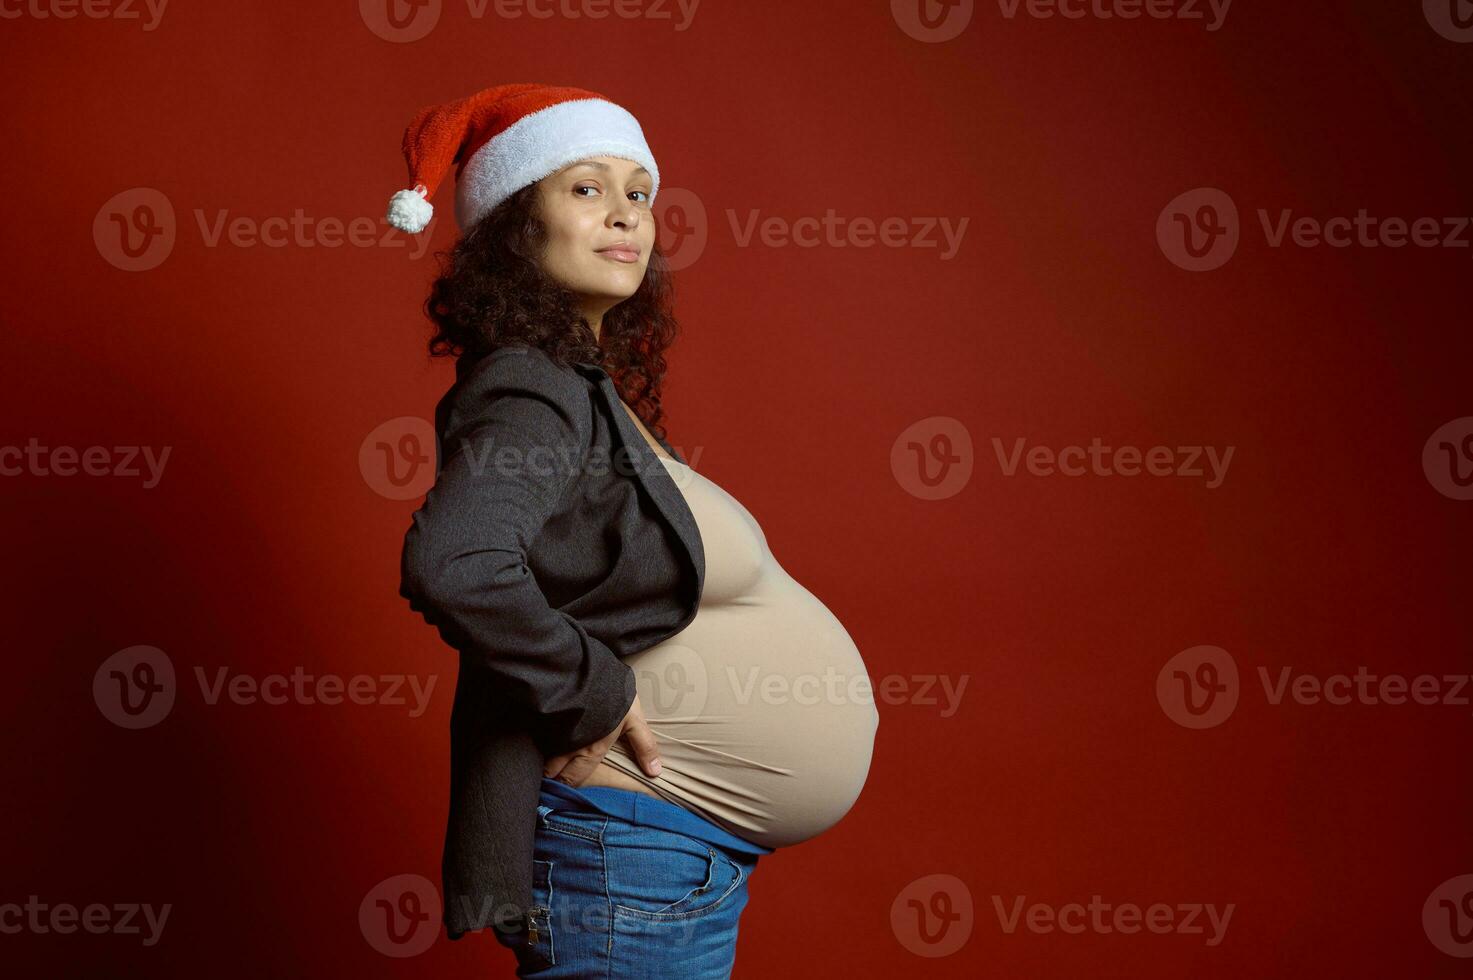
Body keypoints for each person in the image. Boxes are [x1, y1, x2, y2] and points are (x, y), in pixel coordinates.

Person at [388, 83, 879, 978]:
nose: (625, 214)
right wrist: (595, 691)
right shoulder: (528, 385)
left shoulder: (581, 386)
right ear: (512, 225)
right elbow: (456, 561)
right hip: (627, 854)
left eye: (639, 192)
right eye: (584, 188)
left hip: (662, 858)